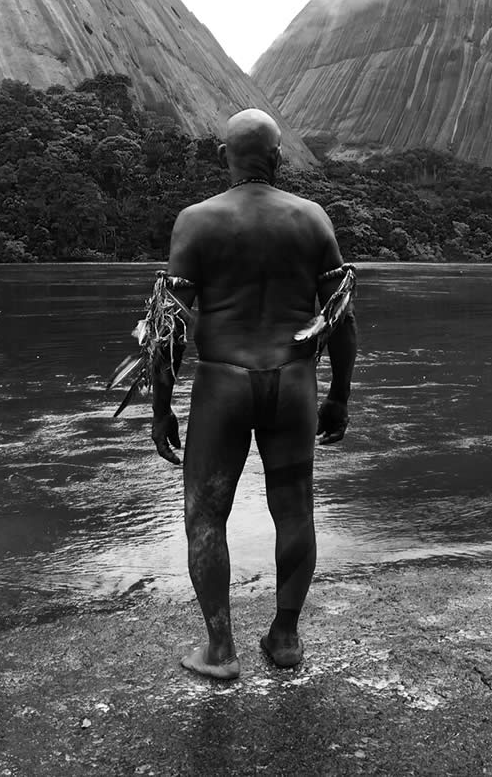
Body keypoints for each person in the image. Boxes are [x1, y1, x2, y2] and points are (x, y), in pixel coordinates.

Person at [150, 108, 358, 680]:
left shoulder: (196, 220)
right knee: (295, 509)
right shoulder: (312, 219)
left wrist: (161, 408)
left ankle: (220, 650)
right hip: (292, 382)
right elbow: (339, 317)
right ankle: (285, 639)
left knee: (206, 516)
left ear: (226, 156)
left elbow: (167, 327)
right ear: (278, 155)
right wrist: (339, 393)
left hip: (223, 384)